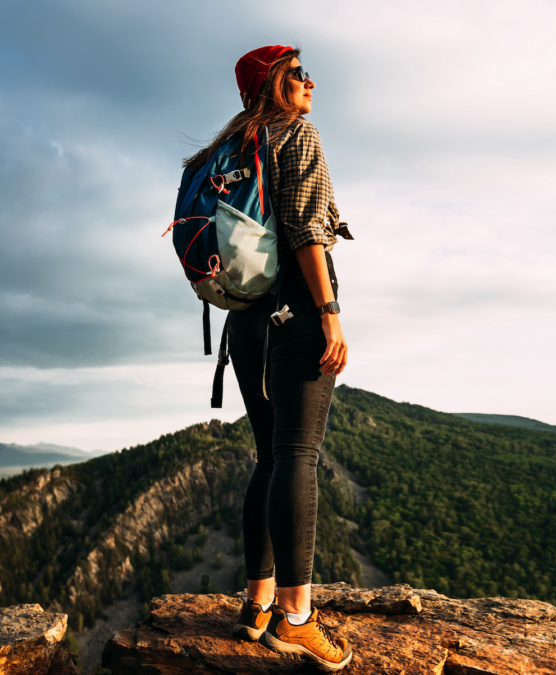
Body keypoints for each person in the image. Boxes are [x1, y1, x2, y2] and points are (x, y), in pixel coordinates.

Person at [184, 45, 352, 671]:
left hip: (244, 324)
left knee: (268, 457)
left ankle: (256, 606)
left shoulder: (217, 155)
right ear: (275, 86)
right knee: (298, 456)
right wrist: (329, 312)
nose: (311, 82)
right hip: (297, 311)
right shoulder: (294, 135)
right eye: (299, 74)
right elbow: (308, 229)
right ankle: (297, 618)